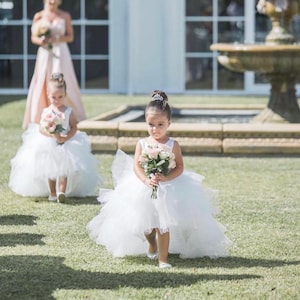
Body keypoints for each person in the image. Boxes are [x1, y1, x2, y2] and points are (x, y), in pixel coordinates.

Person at [87, 90, 231, 268]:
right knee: (146, 227)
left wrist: (166, 177)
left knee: (163, 225)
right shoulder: (142, 144)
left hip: (169, 188)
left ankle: (163, 259)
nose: (155, 129)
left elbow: (179, 167)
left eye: (160, 124)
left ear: (169, 123)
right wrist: (146, 180)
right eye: (151, 124)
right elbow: (137, 166)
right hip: (144, 187)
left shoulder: (173, 145)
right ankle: (151, 243)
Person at [9, 73, 100, 203]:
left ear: (65, 95)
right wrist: (51, 134)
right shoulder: (47, 112)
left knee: (64, 170)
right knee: (50, 170)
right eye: (53, 97)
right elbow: (41, 128)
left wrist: (66, 137)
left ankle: (61, 192)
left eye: (60, 97)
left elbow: (74, 127)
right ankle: (52, 192)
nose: (57, 100)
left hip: (66, 144)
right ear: (48, 95)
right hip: (50, 143)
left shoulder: (68, 111)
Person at [23, 0, 86, 129]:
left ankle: (70, 115)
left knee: (62, 80)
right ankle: (41, 115)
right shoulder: (39, 16)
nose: (52, 1)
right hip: (45, 53)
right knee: (42, 81)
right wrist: (42, 39)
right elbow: (33, 38)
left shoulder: (65, 16)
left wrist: (56, 39)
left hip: (60, 52)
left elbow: (70, 36)